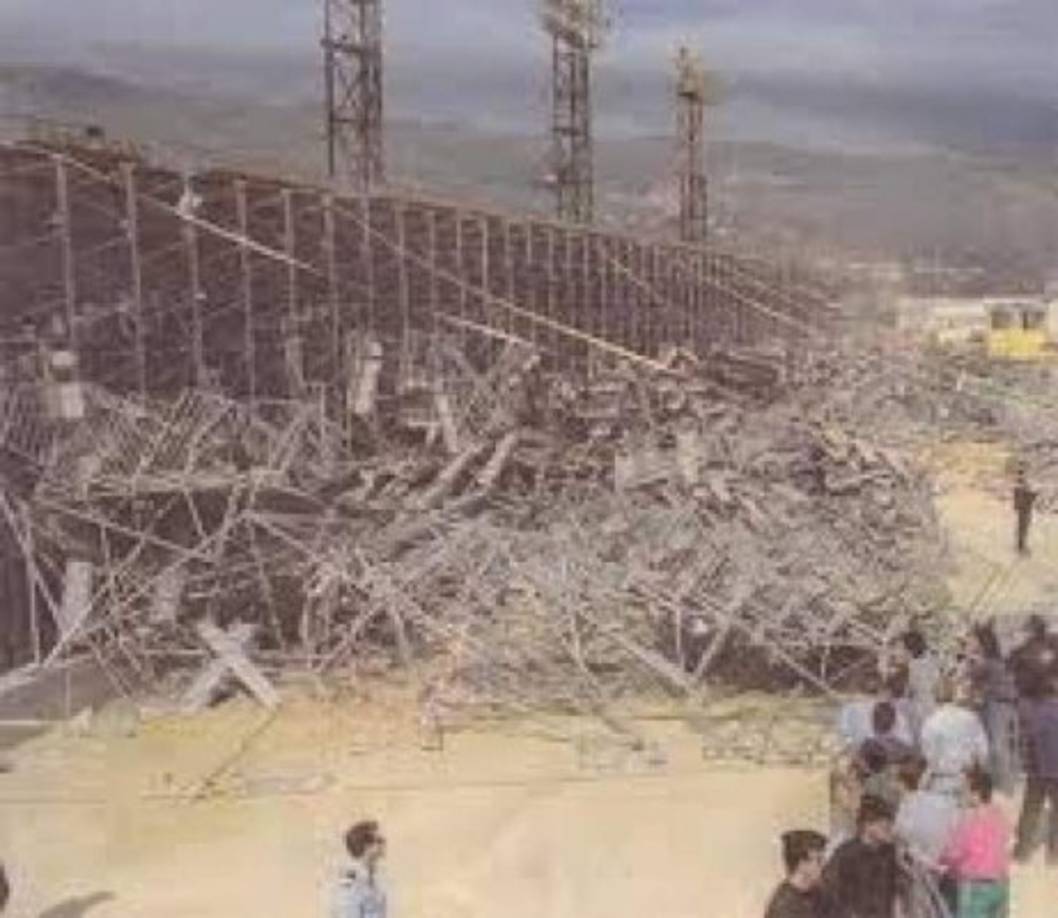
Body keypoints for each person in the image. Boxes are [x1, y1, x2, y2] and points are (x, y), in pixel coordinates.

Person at [940, 767, 1011, 918]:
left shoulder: (969, 821)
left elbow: (955, 853)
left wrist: (942, 859)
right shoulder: (1000, 817)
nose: (961, 795)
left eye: (964, 791)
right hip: (1000, 884)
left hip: (975, 886)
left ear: (976, 794)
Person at [823, 795, 900, 918]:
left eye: (890, 824)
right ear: (867, 825)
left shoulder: (890, 852)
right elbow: (829, 895)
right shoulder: (845, 855)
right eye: (883, 826)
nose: (890, 829)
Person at [968, 623, 1019, 795]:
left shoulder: (987, 662)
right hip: (996, 705)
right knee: (994, 746)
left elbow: (972, 677)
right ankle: (1000, 787)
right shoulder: (993, 660)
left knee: (996, 747)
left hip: (997, 705)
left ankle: (1004, 788)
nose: (969, 641)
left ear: (982, 641)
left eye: (972, 639)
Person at [920, 680, 989, 798]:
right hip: (967, 779)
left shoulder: (930, 723)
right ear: (954, 695)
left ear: (934, 698)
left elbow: (928, 754)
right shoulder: (970, 718)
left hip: (941, 780)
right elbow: (983, 751)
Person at [1012, 692, 1058, 866]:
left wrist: (1029, 763)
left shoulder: (1039, 710)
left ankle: (1022, 852)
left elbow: (1029, 739)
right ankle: (1054, 855)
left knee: (1031, 811)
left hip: (1038, 769)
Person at [765, 829, 831, 918]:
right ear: (802, 864)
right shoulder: (784, 905)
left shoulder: (819, 893)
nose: (824, 865)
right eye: (819, 860)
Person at [332, 820, 387, 918]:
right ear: (366, 846)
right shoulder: (351, 880)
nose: (384, 843)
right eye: (380, 840)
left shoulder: (373, 879)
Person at [903, 629, 941, 742]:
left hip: (924, 704)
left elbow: (912, 687)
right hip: (929, 703)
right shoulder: (932, 659)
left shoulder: (916, 663)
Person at [1009, 614, 1058, 701]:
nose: (1029, 634)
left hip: (1047, 693)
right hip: (1030, 694)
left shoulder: (1052, 640)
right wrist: (1015, 648)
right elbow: (1011, 667)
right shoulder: (1023, 647)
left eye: (1031, 630)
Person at [1013, 467, 1037, 555]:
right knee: (1023, 529)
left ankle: (1021, 546)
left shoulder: (1019, 484)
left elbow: (1017, 499)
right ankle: (1021, 547)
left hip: (1022, 509)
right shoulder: (1024, 485)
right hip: (1025, 509)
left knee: (1021, 528)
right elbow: (1030, 496)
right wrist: (1034, 494)